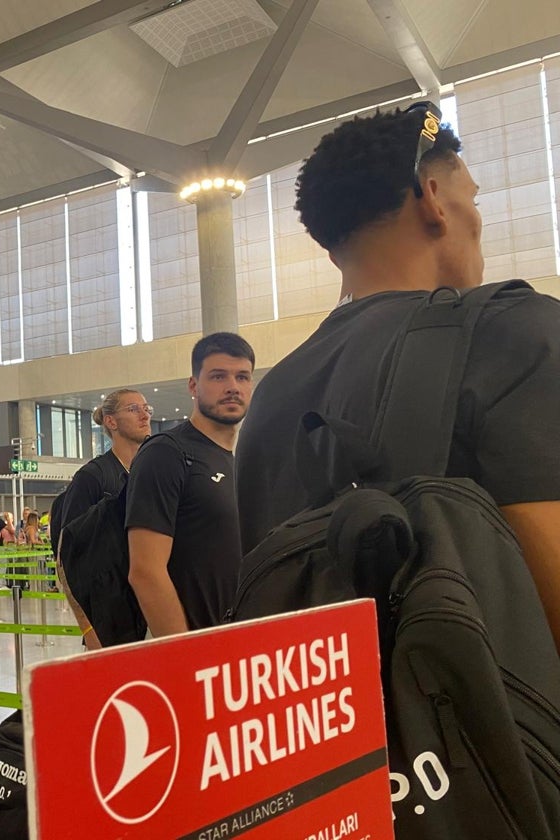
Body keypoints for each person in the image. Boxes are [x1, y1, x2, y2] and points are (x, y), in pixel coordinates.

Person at [235, 104, 560, 651]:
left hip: (348, 729)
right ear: (433, 198)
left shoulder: (270, 395)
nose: (477, 218)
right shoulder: (512, 331)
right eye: (473, 197)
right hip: (491, 727)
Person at [125, 333, 255, 638]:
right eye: (218, 376)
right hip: (197, 646)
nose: (232, 387)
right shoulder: (166, 453)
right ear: (194, 386)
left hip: (242, 643)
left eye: (242, 377)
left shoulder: (241, 460)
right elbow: (145, 572)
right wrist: (186, 657)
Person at [55, 389, 151, 647]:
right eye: (133, 409)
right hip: (111, 621)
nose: (144, 415)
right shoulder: (92, 478)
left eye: (146, 408)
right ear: (111, 421)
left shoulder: (151, 473)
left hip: (152, 611)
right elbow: (65, 558)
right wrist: (88, 629)